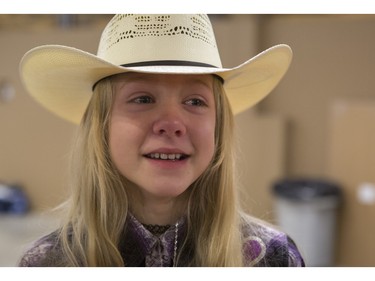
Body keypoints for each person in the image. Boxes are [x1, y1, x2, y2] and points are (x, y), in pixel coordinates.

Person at [18, 14, 305, 267]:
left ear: (218, 127)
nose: (171, 124)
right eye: (143, 98)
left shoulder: (274, 260)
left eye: (195, 100)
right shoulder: (48, 264)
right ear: (101, 126)